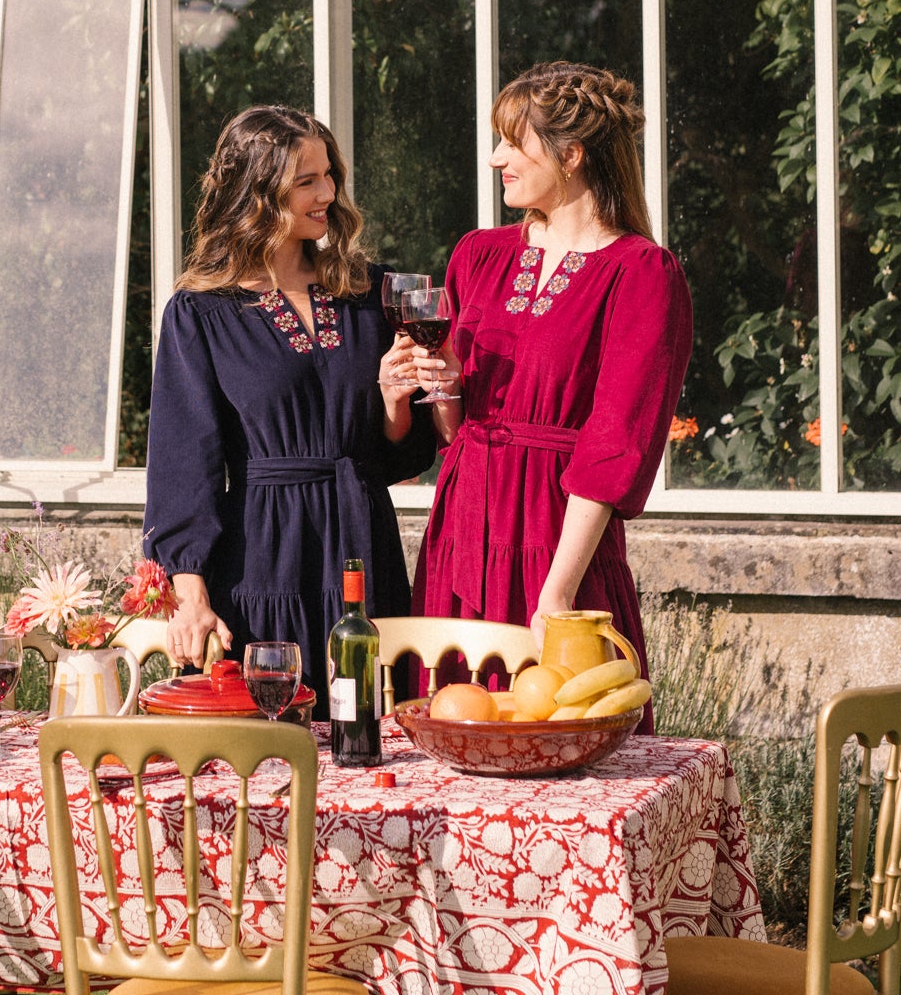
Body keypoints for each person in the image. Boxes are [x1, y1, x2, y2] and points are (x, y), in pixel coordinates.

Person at [407, 62, 692, 707]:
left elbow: (616, 441)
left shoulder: (642, 273)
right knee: (454, 722)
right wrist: (445, 385)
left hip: (558, 535)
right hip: (462, 526)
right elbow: (452, 433)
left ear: (571, 154)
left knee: (559, 731)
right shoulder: (478, 255)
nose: (495, 157)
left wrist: (558, 593)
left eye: (513, 140)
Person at [142, 105, 436, 715]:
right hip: (261, 559)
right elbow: (182, 467)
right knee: (269, 744)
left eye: (329, 175)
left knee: (371, 738)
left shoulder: (369, 294)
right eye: (307, 180)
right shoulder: (201, 312)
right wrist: (190, 596)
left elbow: (397, 454)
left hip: (363, 548)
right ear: (256, 190)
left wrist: (391, 403)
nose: (327, 192)